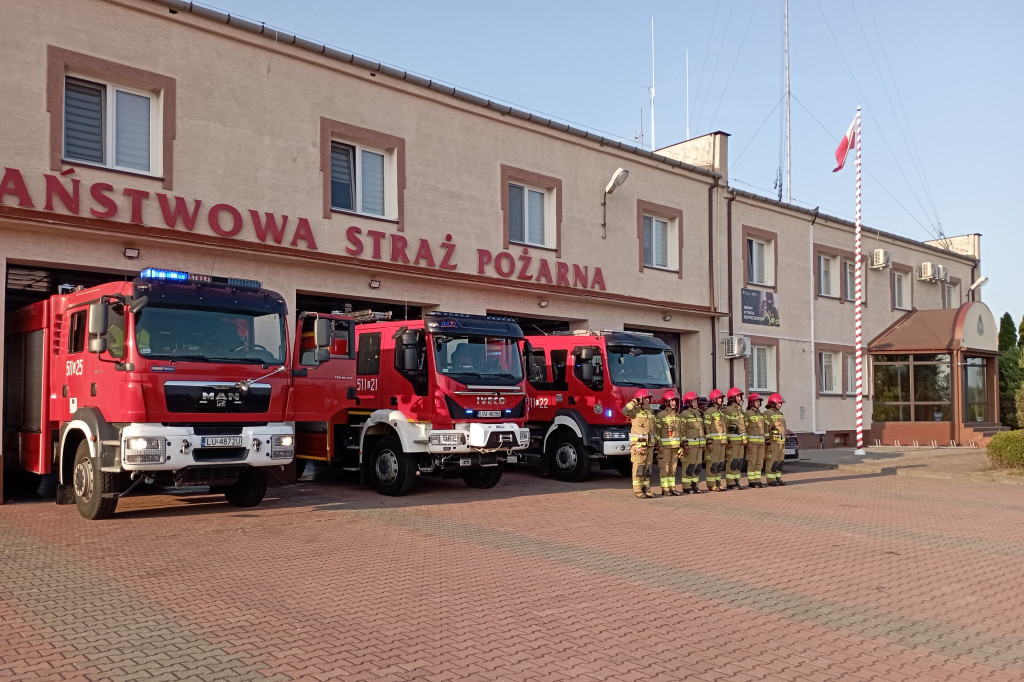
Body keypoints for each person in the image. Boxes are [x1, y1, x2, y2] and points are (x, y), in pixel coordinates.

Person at [622, 388, 657, 498]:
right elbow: (624, 411)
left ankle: (647, 489)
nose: (648, 400)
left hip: (650, 445)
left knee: (648, 469)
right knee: (639, 468)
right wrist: (635, 401)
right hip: (639, 445)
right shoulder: (635, 411)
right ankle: (638, 490)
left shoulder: (651, 412)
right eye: (646, 398)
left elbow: (654, 429)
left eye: (648, 398)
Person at [655, 390, 683, 496]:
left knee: (673, 468)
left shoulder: (677, 416)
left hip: (675, 448)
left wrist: (680, 446)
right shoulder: (661, 416)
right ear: (666, 402)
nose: (674, 403)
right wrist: (659, 445)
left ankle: (672, 488)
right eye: (671, 401)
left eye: (675, 401)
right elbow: (657, 432)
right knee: (665, 468)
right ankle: (665, 489)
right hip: (665, 448)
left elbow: (680, 433)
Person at [677, 391, 705, 494]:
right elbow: (682, 430)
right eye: (693, 401)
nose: (696, 403)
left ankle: (695, 485)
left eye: (696, 401)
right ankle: (686, 487)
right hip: (690, 446)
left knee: (697, 466)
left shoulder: (699, 413)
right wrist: (684, 444)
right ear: (688, 402)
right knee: (689, 466)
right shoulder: (684, 414)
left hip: (699, 446)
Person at [723, 387, 748, 490]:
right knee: (732, 462)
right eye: (737, 396)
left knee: (739, 462)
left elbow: (743, 426)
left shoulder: (740, 409)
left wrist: (745, 439)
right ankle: (730, 482)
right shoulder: (728, 410)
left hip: (740, 442)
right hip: (732, 442)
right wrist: (727, 441)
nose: (739, 398)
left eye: (740, 396)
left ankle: (737, 481)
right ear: (732, 398)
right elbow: (725, 426)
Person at [703, 389, 728, 491]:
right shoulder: (709, 412)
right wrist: (709, 441)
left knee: (720, 464)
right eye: (719, 398)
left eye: (721, 398)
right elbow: (706, 427)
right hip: (714, 443)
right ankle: (711, 484)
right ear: (713, 399)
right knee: (712, 464)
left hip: (722, 443)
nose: (721, 400)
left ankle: (718, 482)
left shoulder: (721, 413)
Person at [764, 393, 788, 486]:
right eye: (779, 403)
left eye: (781, 403)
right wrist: (767, 440)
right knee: (772, 461)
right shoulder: (767, 413)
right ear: (773, 403)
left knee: (780, 461)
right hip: (773, 442)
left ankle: (778, 478)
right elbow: (766, 428)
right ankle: (770, 479)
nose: (781, 405)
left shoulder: (780, 414)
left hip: (781, 442)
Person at [744, 393, 767, 488]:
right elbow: (744, 429)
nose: (758, 403)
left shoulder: (760, 414)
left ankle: (758, 480)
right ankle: (752, 481)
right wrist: (747, 442)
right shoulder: (747, 414)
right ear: (751, 402)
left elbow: (764, 429)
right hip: (752, 443)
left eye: (759, 401)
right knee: (752, 462)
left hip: (761, 443)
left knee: (759, 462)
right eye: (757, 401)